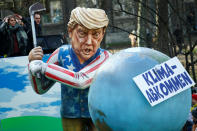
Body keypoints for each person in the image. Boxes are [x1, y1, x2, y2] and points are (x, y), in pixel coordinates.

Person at [28, 7, 110, 131]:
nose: (89, 41)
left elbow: (80, 80)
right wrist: (33, 66)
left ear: (102, 34)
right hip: (70, 115)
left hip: (97, 114)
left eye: (96, 34)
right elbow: (41, 88)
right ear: (70, 32)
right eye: (82, 33)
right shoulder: (61, 53)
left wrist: (43, 67)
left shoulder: (104, 57)